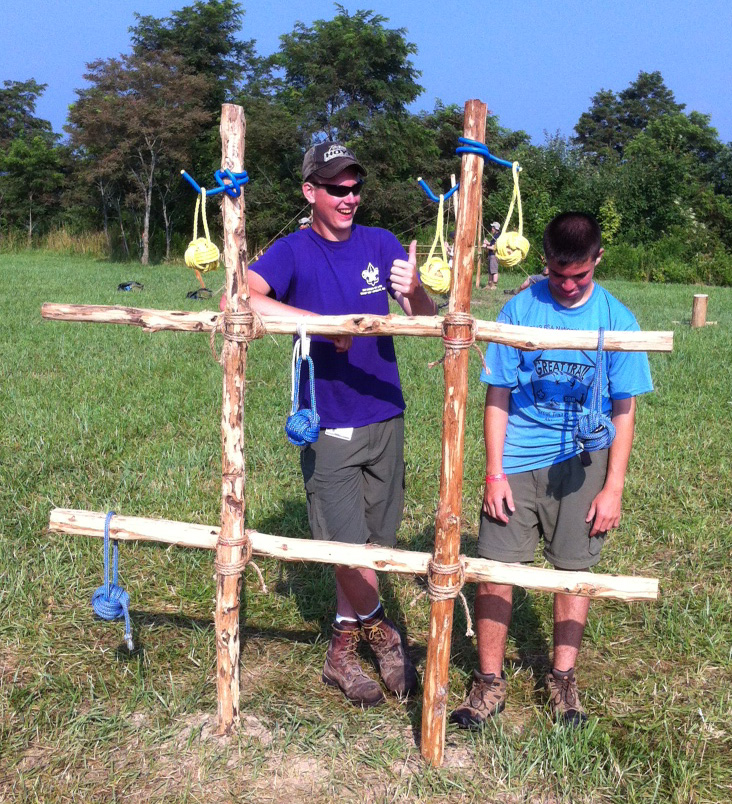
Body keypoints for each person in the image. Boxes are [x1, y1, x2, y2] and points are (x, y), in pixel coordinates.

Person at [244, 141, 436, 708]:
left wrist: (417, 291)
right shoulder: (292, 252)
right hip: (329, 421)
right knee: (341, 541)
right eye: (337, 188)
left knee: (374, 542)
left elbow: (427, 323)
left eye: (355, 187)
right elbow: (245, 298)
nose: (349, 198)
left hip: (386, 413)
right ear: (311, 192)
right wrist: (323, 326)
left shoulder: (380, 243)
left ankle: (342, 649)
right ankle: (378, 633)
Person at [450, 212, 653, 729]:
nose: (566, 285)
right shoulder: (521, 308)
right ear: (545, 260)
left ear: (597, 260)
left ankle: (563, 679)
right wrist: (493, 473)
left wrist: (614, 487)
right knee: (497, 569)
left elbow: (624, 409)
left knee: (573, 573)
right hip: (518, 456)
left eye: (578, 276)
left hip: (584, 463)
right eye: (558, 273)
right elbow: (497, 394)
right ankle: (490, 682)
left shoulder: (617, 319)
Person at [482, 222, 501, 289]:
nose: (492, 229)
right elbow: (492, 244)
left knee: (494, 271)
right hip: (491, 255)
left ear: (496, 228)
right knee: (490, 270)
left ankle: (494, 285)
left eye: (493, 228)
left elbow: (494, 247)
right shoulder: (495, 236)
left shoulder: (498, 236)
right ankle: (489, 284)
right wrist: (487, 243)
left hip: (494, 255)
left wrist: (486, 247)